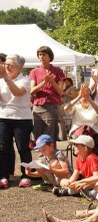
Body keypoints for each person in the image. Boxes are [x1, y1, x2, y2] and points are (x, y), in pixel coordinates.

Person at [0, 54, 33, 188]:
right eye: (6, 64)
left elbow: (18, 93)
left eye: (11, 64)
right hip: (3, 116)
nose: (7, 66)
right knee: (3, 147)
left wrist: (6, 78)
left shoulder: (25, 79)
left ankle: (27, 175)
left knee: (23, 147)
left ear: (19, 67)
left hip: (21, 118)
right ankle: (4, 175)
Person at [29, 46, 65, 142]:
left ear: (50, 56)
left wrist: (52, 81)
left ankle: (51, 155)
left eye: (44, 54)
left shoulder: (58, 71)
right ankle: (41, 155)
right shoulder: (34, 71)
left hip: (51, 106)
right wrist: (43, 83)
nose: (41, 57)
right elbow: (32, 91)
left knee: (50, 134)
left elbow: (61, 92)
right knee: (37, 133)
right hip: (37, 106)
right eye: (39, 55)